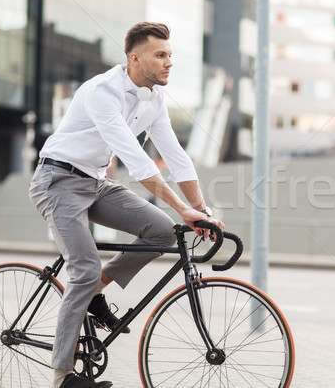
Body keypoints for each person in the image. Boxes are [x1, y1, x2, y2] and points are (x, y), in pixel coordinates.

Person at [29, 22, 224, 388]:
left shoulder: (155, 98)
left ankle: (94, 293)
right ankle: (61, 376)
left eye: (170, 55)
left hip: (96, 183)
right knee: (83, 269)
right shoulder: (103, 92)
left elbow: (176, 157)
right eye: (160, 55)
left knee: (163, 231)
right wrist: (183, 207)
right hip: (57, 182)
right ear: (135, 58)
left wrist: (202, 211)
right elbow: (136, 160)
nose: (169, 63)